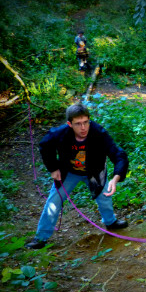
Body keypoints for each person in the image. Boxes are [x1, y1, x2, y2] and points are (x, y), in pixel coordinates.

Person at [26, 102, 129, 249]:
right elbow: (45, 146)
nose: (83, 128)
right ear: (69, 124)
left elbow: (118, 154)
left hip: (94, 172)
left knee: (105, 197)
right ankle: (41, 238)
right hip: (69, 172)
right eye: (78, 124)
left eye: (86, 122)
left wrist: (115, 178)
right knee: (54, 202)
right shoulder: (59, 133)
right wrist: (53, 168)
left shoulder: (98, 133)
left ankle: (110, 222)